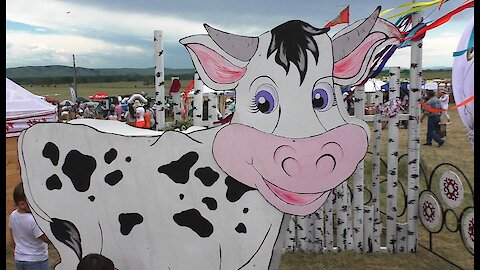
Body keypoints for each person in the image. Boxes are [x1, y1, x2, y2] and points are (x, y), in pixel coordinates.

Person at [9, 182, 50, 270]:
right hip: (36, 261)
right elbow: (46, 238)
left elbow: (12, 236)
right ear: (22, 204)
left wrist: (16, 251)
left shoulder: (13, 215)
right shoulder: (33, 220)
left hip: (19, 259)